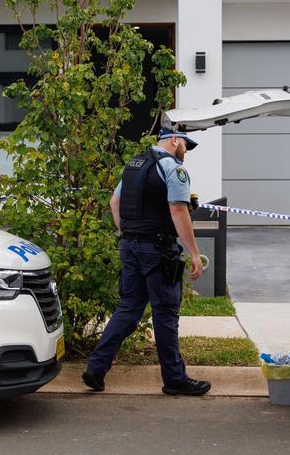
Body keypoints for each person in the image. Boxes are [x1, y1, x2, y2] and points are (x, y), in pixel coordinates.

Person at [82, 127, 211, 396]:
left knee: (128, 308)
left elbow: (114, 202)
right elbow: (178, 210)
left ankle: (96, 367)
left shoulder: (134, 164)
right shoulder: (173, 168)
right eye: (186, 146)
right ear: (175, 141)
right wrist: (195, 252)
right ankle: (175, 379)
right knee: (165, 314)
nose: (185, 152)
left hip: (130, 246)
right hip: (159, 249)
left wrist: (125, 232)